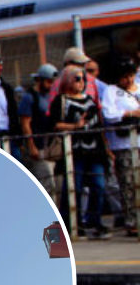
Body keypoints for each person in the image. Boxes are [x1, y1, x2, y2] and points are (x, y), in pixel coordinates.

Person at [49, 67, 112, 239]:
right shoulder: (61, 101)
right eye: (77, 79)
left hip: (94, 151)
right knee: (73, 188)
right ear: (68, 80)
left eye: (83, 78)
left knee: (98, 185)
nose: (81, 82)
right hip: (74, 152)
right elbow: (55, 124)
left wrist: (106, 148)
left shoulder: (90, 100)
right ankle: (72, 224)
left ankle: (95, 221)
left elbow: (99, 126)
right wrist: (75, 126)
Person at [101, 59, 140, 237]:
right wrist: (130, 113)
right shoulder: (112, 92)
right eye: (125, 77)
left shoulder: (138, 88)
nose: (129, 80)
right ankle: (132, 221)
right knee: (127, 182)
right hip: (123, 144)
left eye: (131, 76)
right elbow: (109, 114)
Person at [19, 64, 60, 202]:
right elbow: (25, 123)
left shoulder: (51, 96)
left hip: (51, 146)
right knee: (46, 183)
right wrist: (31, 146)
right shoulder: (29, 97)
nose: (51, 85)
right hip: (38, 145)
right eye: (48, 82)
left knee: (55, 184)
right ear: (40, 80)